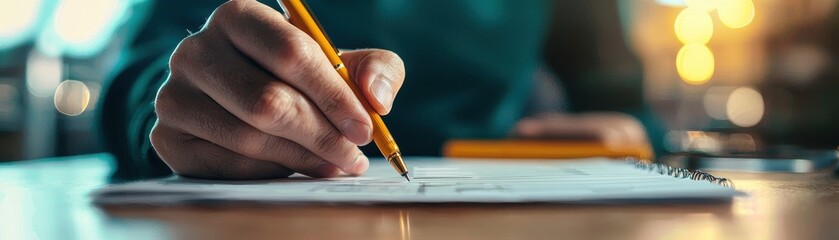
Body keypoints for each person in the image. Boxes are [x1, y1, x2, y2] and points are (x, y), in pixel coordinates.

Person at [101, 0, 662, 181]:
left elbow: (626, 103)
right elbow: (146, 75)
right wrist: (186, 110)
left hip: (502, 198)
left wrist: (632, 135)